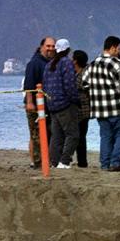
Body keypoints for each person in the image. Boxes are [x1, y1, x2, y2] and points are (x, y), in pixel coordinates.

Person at [81, 35, 120, 172]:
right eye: (119, 48)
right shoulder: (117, 64)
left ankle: (105, 164)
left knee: (105, 137)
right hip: (118, 108)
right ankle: (116, 163)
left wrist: (95, 94)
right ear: (113, 48)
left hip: (100, 109)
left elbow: (84, 83)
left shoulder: (92, 64)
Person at [42, 38, 80, 170]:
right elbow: (69, 85)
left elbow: (45, 86)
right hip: (65, 105)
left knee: (56, 136)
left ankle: (54, 161)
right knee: (73, 134)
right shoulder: (67, 63)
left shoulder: (48, 65)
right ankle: (64, 161)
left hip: (52, 105)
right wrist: (76, 100)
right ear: (68, 50)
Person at [22, 36, 54, 169]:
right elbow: (29, 84)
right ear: (41, 47)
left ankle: (45, 159)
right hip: (35, 105)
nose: (50, 49)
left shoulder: (51, 62)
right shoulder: (34, 63)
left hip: (48, 105)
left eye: (53, 46)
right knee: (36, 134)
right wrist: (30, 102)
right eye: (48, 46)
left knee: (47, 134)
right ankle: (36, 162)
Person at [72, 49, 91, 168]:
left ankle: (82, 161)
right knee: (80, 135)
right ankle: (81, 161)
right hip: (82, 109)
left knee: (80, 136)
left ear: (76, 61)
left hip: (82, 109)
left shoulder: (83, 74)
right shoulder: (81, 72)